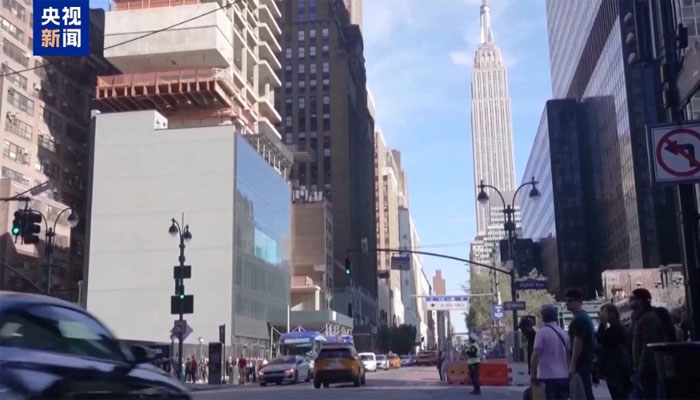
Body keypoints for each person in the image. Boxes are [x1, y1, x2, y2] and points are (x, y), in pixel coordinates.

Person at [629, 288, 666, 400]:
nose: (630, 301)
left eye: (632, 298)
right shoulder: (640, 318)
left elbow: (648, 345)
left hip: (648, 370)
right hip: (642, 368)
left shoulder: (648, 319)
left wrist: (642, 368)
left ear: (640, 300)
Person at [530, 304, 570, 400]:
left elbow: (536, 354)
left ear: (543, 317)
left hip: (547, 376)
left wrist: (533, 373)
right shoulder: (564, 333)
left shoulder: (541, 333)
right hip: (563, 375)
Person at [564, 288, 596, 400]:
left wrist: (572, 365)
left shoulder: (579, 320)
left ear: (578, 301)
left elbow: (578, 342)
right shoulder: (583, 317)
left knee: (582, 392)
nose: (567, 303)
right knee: (584, 391)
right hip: (584, 361)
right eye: (566, 301)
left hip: (581, 362)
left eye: (570, 301)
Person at [596, 303, 632, 400]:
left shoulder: (616, 329)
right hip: (615, 367)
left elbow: (601, 339)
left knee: (618, 394)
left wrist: (602, 324)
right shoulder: (616, 328)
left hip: (616, 368)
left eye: (603, 312)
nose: (601, 315)